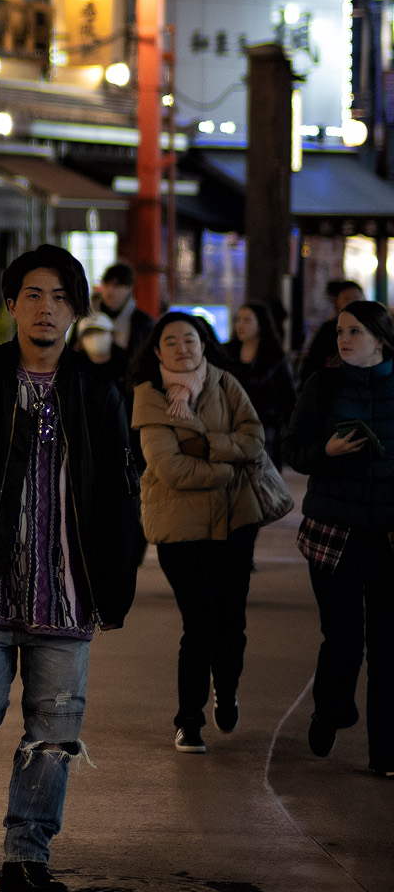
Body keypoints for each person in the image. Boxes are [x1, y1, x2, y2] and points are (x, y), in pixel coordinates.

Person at [0, 244, 139, 892]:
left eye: (62, 298)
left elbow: (116, 493)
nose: (48, 309)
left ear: (77, 310)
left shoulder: (97, 390)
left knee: (54, 735)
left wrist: (116, 577)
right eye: (35, 295)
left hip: (65, 595)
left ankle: (26, 860)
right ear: (12, 304)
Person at [131, 311, 264, 753]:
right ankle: (189, 719)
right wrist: (226, 471)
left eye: (190, 339)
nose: (182, 348)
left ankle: (226, 689)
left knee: (233, 623)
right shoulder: (149, 397)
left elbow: (255, 438)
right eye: (171, 341)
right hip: (179, 528)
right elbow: (168, 467)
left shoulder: (226, 384)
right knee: (200, 623)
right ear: (157, 350)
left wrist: (206, 446)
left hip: (234, 524)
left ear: (204, 344)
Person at [284, 298, 394, 773]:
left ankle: (386, 752)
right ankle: (331, 710)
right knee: (343, 637)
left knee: (388, 645)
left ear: (381, 339)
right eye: (340, 332)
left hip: (389, 536)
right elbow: (293, 451)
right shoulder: (323, 385)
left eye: (355, 332)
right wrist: (324, 450)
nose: (345, 341)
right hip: (336, 532)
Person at [214, 300, 296, 463]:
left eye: (247, 320)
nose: (240, 325)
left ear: (260, 324)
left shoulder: (274, 357)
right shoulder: (225, 353)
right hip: (230, 426)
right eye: (238, 319)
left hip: (265, 428)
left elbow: (288, 397)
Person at [299, 279, 367, 385]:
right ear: (338, 302)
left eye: (357, 298)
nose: (353, 303)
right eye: (347, 299)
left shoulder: (372, 328)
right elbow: (313, 364)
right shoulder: (328, 330)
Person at [94, 260, 154, 365]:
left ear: (129, 289)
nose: (109, 290)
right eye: (106, 284)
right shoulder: (88, 317)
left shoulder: (143, 322)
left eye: (116, 286)